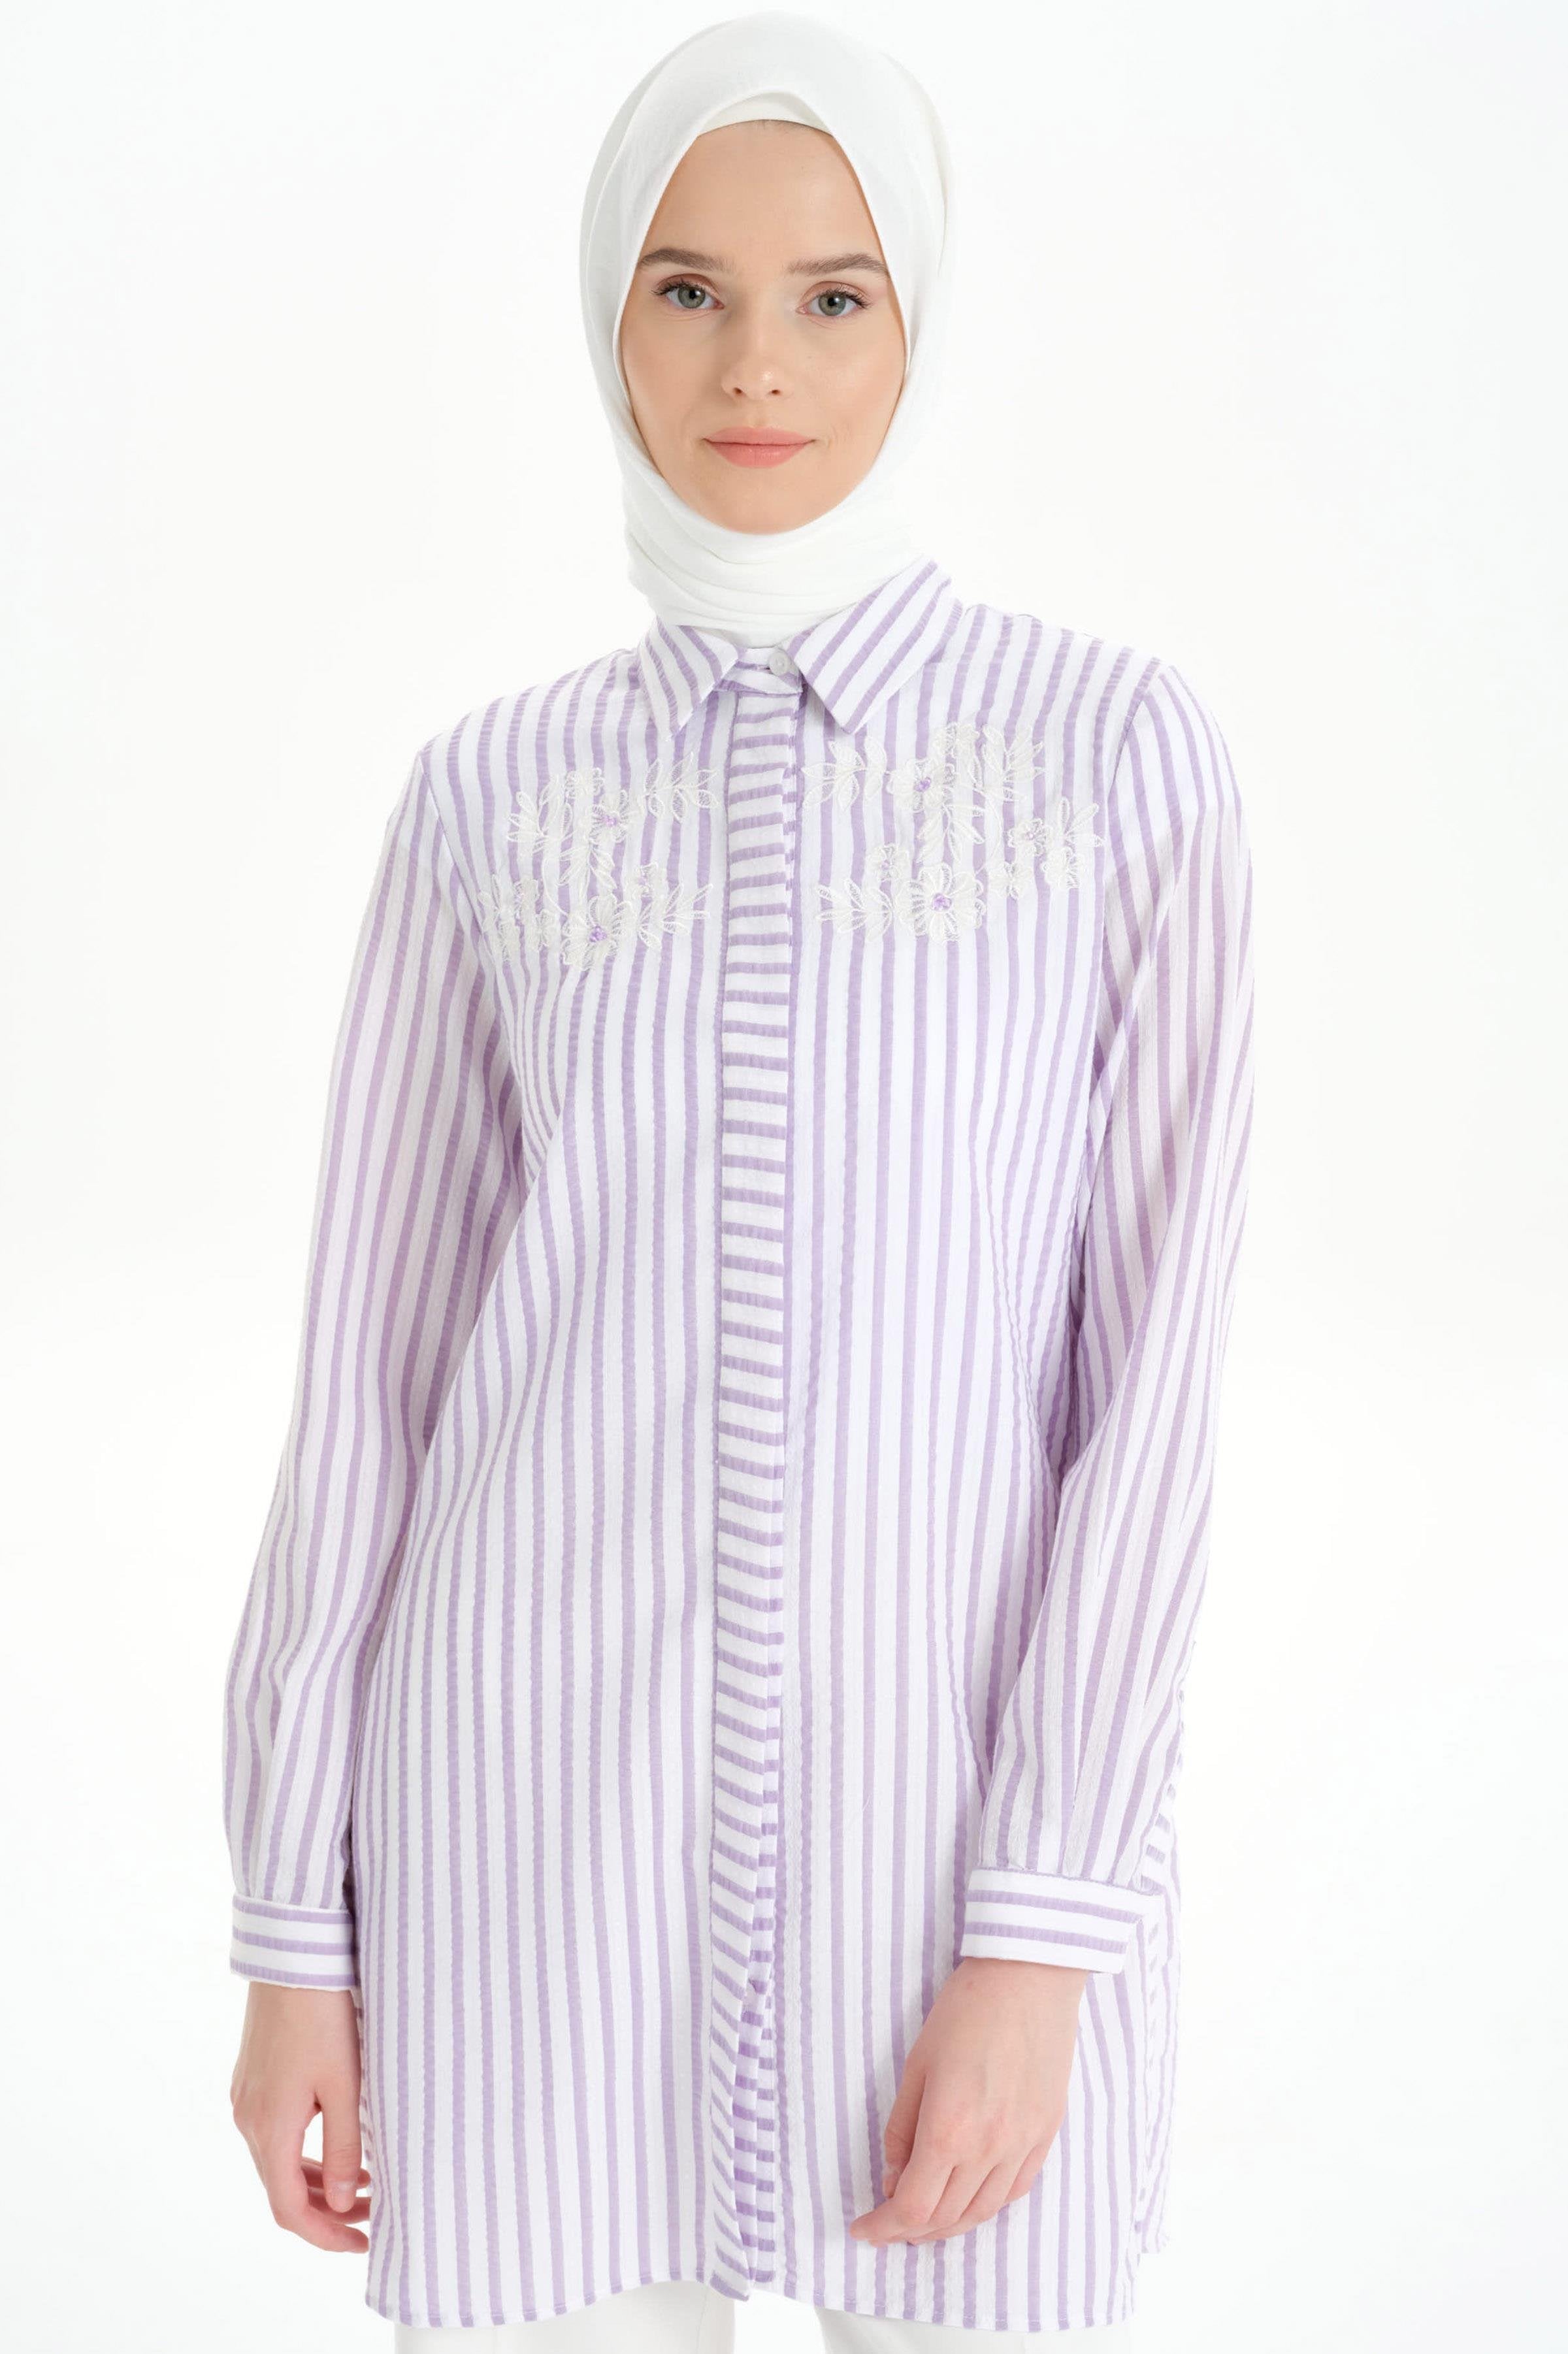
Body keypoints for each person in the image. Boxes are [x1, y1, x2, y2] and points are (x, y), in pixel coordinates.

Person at [222, 13, 1256, 2350]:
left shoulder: (1114, 761)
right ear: (609, 317)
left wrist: (1044, 1929)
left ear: (922, 320)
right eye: (686, 290)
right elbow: (369, 1388)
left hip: (948, 1875)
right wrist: (296, 1928)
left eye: (832, 295)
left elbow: (1150, 1405)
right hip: (524, 1849)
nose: (755, 364)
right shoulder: (489, 797)